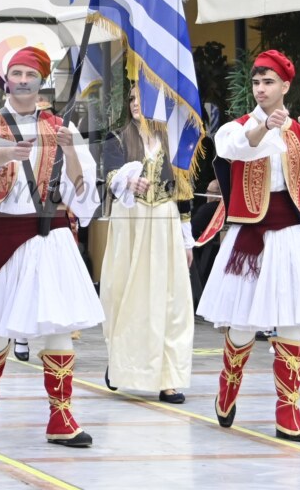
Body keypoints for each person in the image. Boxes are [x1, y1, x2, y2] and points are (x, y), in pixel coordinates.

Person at [0, 46, 101, 447]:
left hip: (51, 239)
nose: (23, 80)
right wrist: (10, 152)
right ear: (6, 80)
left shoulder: (62, 128)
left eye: (30, 74)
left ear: (41, 82)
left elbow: (82, 194)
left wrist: (70, 149)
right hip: (5, 237)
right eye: (16, 73)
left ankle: (61, 416)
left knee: (58, 327)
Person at [195, 50, 300, 442]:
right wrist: (265, 125)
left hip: (289, 234)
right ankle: (228, 387)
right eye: (256, 82)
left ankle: (289, 411)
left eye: (269, 82)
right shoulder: (234, 130)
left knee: (291, 321)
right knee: (242, 323)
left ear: (285, 86)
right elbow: (238, 149)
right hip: (249, 235)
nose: (261, 88)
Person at [100, 85, 194, 403]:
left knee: (169, 298)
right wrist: (127, 181)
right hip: (130, 221)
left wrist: (187, 240)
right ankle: (120, 363)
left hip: (164, 221)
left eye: (142, 98)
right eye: (132, 99)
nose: (135, 104)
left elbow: (184, 191)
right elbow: (109, 177)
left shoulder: (173, 141)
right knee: (123, 293)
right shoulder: (117, 138)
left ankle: (168, 378)